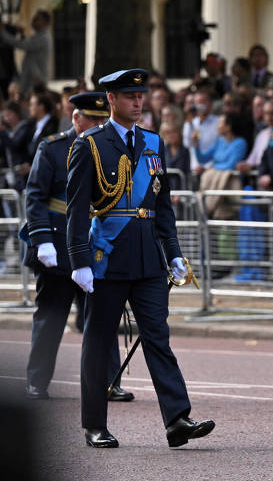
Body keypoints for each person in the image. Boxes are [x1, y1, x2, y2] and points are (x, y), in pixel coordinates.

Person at [66, 68, 214, 448]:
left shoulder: (153, 142)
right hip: (108, 257)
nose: (138, 102)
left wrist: (175, 253)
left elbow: (162, 205)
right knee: (99, 342)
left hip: (149, 258)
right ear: (111, 100)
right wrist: (80, 261)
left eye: (141, 95)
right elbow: (77, 210)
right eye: (129, 96)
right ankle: (95, 424)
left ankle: (177, 419)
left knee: (158, 339)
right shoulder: (90, 145)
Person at [21, 92, 133, 403]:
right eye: (93, 118)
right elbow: (35, 196)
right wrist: (42, 240)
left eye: (102, 118)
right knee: (51, 318)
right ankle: (37, 382)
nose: (99, 123)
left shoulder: (111, 147)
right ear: (76, 118)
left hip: (93, 246)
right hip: (56, 244)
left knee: (103, 319)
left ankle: (110, 382)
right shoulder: (53, 147)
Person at [0, 10, 52, 94]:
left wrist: (2, 32)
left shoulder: (44, 37)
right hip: (31, 80)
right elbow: (29, 46)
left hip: (35, 81)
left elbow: (22, 45)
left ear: (45, 22)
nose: (33, 21)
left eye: (37, 19)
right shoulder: (40, 35)